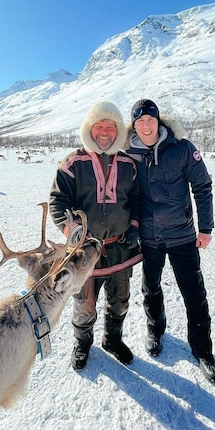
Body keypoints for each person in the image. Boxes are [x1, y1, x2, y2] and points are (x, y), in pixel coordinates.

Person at [126, 98, 215, 383]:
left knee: (194, 293)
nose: (146, 125)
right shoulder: (128, 153)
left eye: (150, 120)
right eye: (140, 121)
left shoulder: (182, 148)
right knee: (150, 288)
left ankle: (203, 351)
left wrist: (206, 228)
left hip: (182, 235)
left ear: (159, 122)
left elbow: (202, 186)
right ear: (134, 125)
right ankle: (155, 330)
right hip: (149, 237)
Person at [49, 101, 143, 371]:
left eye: (110, 126)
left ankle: (113, 339)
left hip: (120, 247)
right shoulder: (73, 162)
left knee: (120, 299)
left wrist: (134, 226)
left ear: (118, 131)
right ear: (89, 129)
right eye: (99, 126)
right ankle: (82, 342)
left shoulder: (128, 163)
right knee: (85, 302)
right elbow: (58, 201)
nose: (104, 132)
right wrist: (73, 230)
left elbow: (137, 199)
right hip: (84, 251)